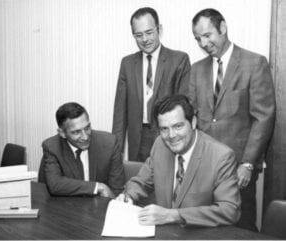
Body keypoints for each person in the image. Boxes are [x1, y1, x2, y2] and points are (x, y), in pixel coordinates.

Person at [188, 8, 275, 231]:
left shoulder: (254, 63)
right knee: (207, 226)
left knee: (242, 225)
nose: (204, 43)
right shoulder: (196, 70)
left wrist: (248, 163)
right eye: (198, 39)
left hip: (239, 167)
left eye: (208, 35)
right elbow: (191, 116)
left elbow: (263, 117)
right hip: (204, 166)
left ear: (223, 28)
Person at [117, 95, 241, 227]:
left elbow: (230, 210)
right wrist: (128, 196)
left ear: (193, 122)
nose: (171, 136)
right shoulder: (160, 145)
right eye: (164, 129)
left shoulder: (221, 156)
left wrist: (174, 215)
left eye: (178, 126)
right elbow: (141, 182)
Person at [112, 7, 191, 162]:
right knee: (140, 181)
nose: (145, 39)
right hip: (137, 140)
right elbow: (120, 113)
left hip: (168, 137)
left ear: (159, 29)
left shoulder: (179, 60)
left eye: (149, 32)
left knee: (167, 183)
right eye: (138, 35)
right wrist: (116, 152)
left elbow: (184, 107)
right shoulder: (127, 63)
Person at [38, 102, 125, 198]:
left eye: (87, 128)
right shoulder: (52, 147)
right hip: (67, 208)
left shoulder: (109, 143)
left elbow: (117, 189)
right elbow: (55, 184)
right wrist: (97, 187)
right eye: (76, 132)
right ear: (62, 133)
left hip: (100, 207)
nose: (85, 137)